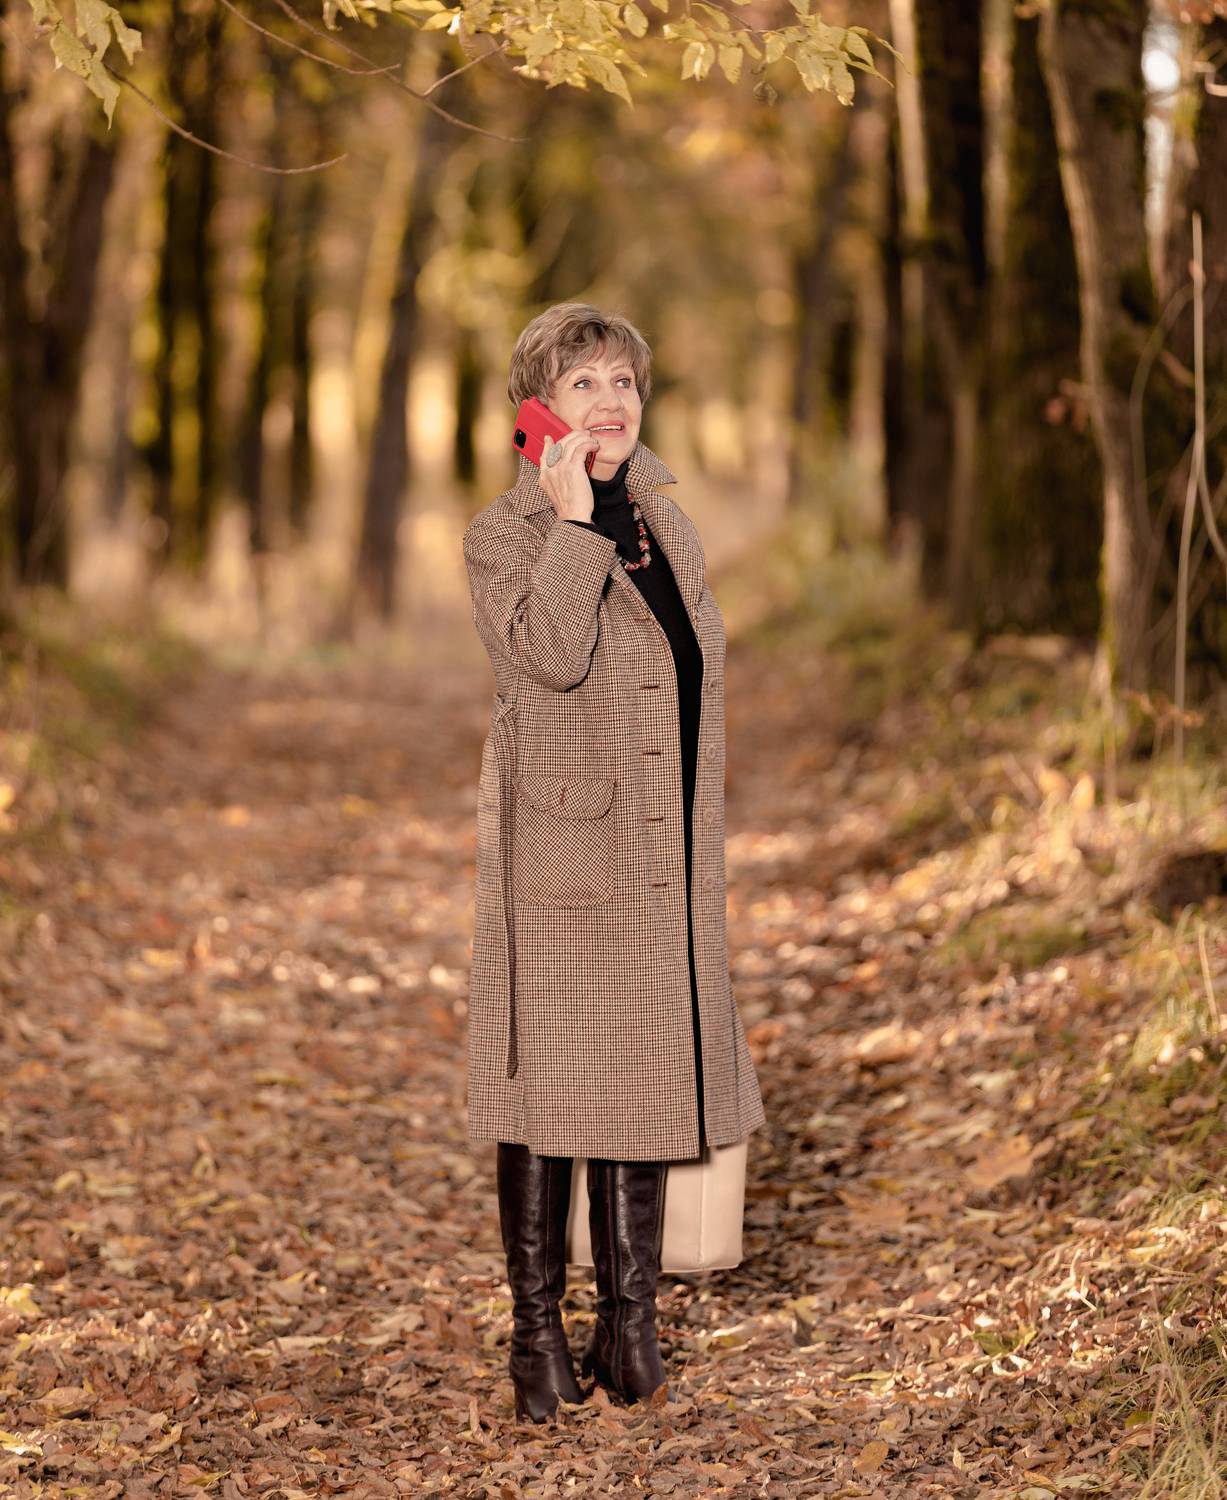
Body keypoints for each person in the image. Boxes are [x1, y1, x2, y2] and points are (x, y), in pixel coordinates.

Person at [461, 303, 766, 1422]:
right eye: (582, 384)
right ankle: (535, 1337)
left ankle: (628, 1329)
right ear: (537, 410)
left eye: (624, 383)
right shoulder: (503, 536)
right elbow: (549, 654)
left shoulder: (667, 524)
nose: (610, 403)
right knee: (550, 1088)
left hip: (662, 842)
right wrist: (574, 521)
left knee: (643, 1071)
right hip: (566, 847)